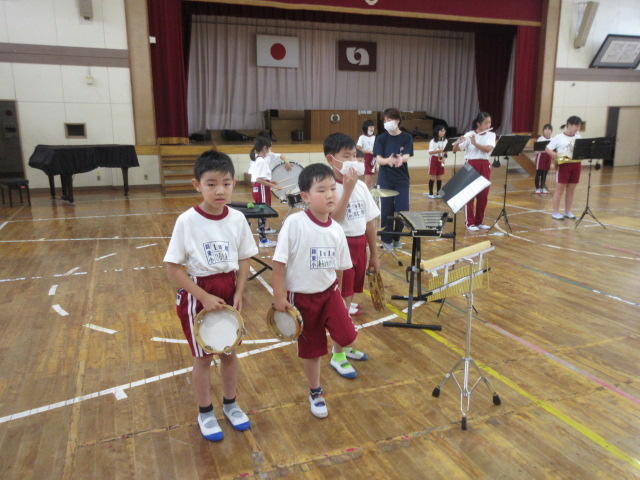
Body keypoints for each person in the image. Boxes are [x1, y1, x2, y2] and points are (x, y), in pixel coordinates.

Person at [164, 150, 258, 441]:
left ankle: (231, 404)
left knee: (229, 352)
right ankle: (205, 412)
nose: (220, 190)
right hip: (198, 294)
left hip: (229, 289)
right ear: (197, 185)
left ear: (234, 184)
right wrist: (202, 296)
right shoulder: (187, 221)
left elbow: (244, 258)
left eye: (226, 183)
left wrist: (239, 291)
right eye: (211, 184)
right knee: (203, 358)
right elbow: (172, 267)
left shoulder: (238, 218)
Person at [272, 163, 357, 418]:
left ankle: (337, 357)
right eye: (321, 190)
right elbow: (279, 263)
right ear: (305, 196)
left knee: (347, 336)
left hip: (329, 293)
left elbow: (340, 269)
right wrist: (279, 297)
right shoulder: (294, 223)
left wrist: (339, 296)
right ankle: (315, 391)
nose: (330, 194)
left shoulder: (337, 230)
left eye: (332, 188)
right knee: (313, 350)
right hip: (302, 299)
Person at [324, 133, 380, 377]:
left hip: (359, 247)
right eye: (346, 157)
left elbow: (369, 222)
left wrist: (374, 254)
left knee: (350, 298)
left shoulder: (362, 187)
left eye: (355, 156)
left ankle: (345, 346)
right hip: (340, 248)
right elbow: (334, 219)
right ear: (332, 159)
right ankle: (338, 354)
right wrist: (346, 189)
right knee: (342, 303)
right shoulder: (327, 188)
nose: (353, 161)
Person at [373, 108, 413, 249]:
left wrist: (401, 159)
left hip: (402, 179)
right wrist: (388, 161)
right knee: (387, 211)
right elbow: (378, 159)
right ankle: (386, 239)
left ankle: (397, 236)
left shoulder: (406, 137)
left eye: (389, 120)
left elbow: (407, 155)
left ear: (397, 120)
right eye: (385, 120)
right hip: (385, 179)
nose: (387, 122)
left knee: (403, 210)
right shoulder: (381, 138)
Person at [454, 112, 496, 231]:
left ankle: (479, 222)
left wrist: (475, 143)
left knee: (483, 195)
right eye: (486, 123)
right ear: (478, 124)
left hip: (485, 164)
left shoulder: (491, 135)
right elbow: (455, 149)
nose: (489, 125)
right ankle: (470, 223)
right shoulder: (470, 134)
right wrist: (458, 141)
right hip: (471, 164)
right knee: (469, 194)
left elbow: (487, 149)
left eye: (489, 122)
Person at [546, 116, 583, 220]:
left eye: (579, 126)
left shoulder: (579, 137)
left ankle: (568, 211)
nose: (578, 128)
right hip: (564, 165)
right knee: (559, 190)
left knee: (571, 190)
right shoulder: (559, 137)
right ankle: (555, 212)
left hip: (576, 165)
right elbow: (548, 149)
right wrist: (557, 156)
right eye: (576, 126)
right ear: (569, 125)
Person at [248, 137, 280, 247]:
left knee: (263, 212)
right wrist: (272, 185)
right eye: (269, 149)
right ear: (265, 148)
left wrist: (271, 182)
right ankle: (263, 241)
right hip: (261, 188)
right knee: (263, 212)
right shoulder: (261, 161)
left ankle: (263, 239)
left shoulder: (259, 160)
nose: (270, 151)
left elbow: (261, 177)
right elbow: (258, 179)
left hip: (261, 187)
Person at [426, 125, 448, 198]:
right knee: (432, 177)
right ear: (437, 131)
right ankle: (430, 194)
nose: (443, 132)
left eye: (444, 131)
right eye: (441, 131)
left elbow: (446, 151)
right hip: (434, 159)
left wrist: (444, 158)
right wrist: (439, 150)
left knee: (440, 177)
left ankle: (438, 193)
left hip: (441, 160)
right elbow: (430, 152)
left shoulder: (445, 140)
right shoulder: (433, 141)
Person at [356, 120, 377, 188]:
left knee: (373, 174)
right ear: (366, 128)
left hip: (375, 157)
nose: (372, 128)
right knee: (368, 175)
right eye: (370, 127)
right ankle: (366, 189)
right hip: (367, 157)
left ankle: (372, 188)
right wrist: (367, 151)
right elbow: (358, 147)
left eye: (373, 127)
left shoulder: (375, 137)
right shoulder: (362, 137)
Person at [534, 124, 553, 194]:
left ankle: (542, 187)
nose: (547, 131)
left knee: (545, 173)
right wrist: (546, 150)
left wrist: (552, 162)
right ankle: (537, 188)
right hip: (541, 157)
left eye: (549, 129)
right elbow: (536, 150)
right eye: (546, 129)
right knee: (539, 173)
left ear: (551, 131)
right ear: (543, 131)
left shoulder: (552, 139)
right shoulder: (540, 139)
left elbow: (553, 151)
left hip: (548, 157)